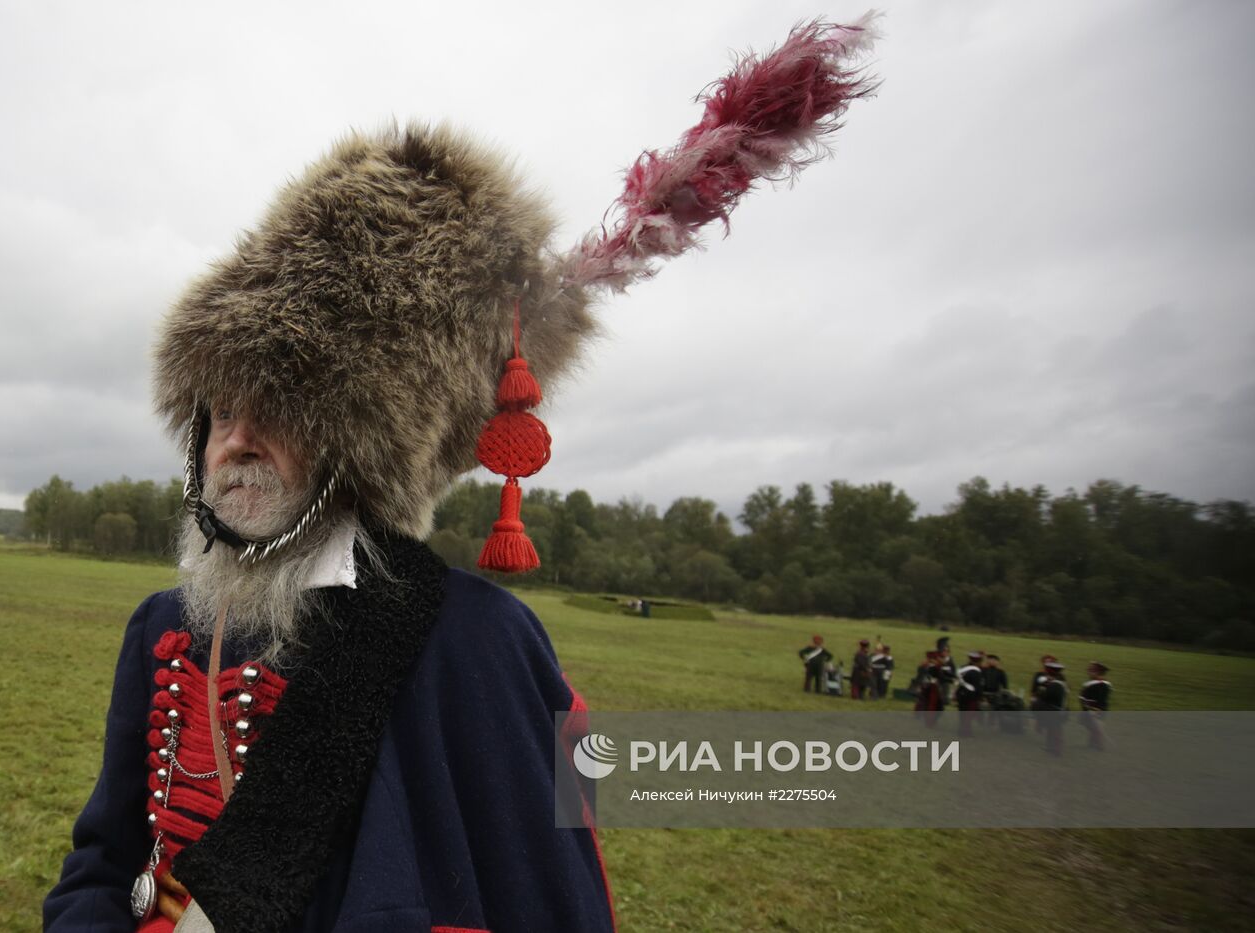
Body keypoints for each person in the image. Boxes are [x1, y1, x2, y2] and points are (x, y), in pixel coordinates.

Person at [44, 25, 879, 928]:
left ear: (357, 442)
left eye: (279, 404)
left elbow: (542, 899)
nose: (235, 437)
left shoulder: (479, 644)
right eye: (218, 403)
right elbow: (103, 860)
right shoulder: (163, 625)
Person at [1031, 658, 1069, 756]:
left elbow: (1047, 697)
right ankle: (1050, 746)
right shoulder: (1057, 683)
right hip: (1054, 709)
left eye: (1048, 671)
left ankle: (1057, 749)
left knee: (1056, 730)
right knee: (1051, 729)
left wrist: (1041, 692)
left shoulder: (1056, 685)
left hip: (1056, 710)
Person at [1079, 662, 1112, 750]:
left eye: (1091, 670)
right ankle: (1093, 742)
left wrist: (1096, 710)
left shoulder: (1102, 684)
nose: (1088, 671)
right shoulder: (1092, 682)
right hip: (1088, 709)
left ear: (1097, 672)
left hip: (1095, 710)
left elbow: (1101, 700)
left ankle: (1099, 745)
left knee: (1096, 727)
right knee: (1089, 724)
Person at [955, 650, 984, 736]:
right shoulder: (976, 672)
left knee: (962, 713)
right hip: (971, 696)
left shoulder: (963, 668)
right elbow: (978, 686)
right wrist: (980, 696)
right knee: (969, 714)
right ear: (978, 661)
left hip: (961, 693)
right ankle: (965, 731)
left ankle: (961, 729)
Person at [913, 651, 945, 727]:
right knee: (933, 704)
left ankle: (919, 715)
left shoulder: (923, 665)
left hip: (924, 685)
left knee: (923, 702)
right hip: (933, 687)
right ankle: (930, 721)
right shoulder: (935, 667)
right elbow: (941, 677)